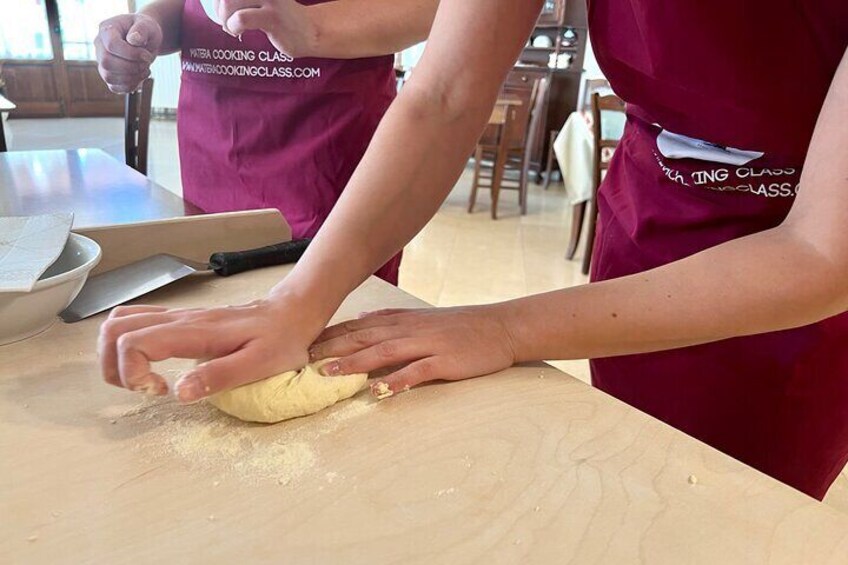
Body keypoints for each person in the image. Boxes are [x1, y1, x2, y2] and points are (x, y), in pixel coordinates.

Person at [98, 0, 848, 500]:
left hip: (797, 297)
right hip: (653, 216)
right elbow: (445, 93)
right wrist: (298, 300)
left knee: (737, 506)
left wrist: (504, 326)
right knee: (628, 473)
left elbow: (820, 253)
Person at [95, 0, 437, 284]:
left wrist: (313, 27)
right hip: (213, 148)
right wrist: (148, 25)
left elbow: (443, 8)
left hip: (327, 146)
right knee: (217, 287)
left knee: (334, 308)